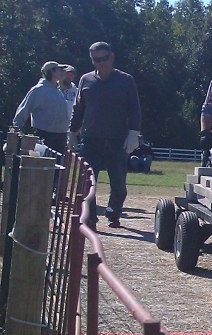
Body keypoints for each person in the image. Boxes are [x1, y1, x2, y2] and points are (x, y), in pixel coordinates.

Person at [70, 42, 142, 228]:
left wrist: (134, 133)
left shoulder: (126, 80)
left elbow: (134, 109)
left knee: (118, 184)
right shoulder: (85, 80)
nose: (100, 63)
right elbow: (79, 109)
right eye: (96, 60)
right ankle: (91, 218)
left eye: (104, 58)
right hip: (90, 139)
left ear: (112, 57)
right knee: (87, 182)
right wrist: (72, 132)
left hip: (117, 140)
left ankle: (113, 212)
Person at [11, 61, 73, 154]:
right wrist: (16, 129)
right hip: (44, 135)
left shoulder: (57, 90)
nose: (62, 72)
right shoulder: (39, 89)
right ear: (51, 72)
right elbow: (24, 108)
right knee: (42, 165)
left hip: (61, 136)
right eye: (59, 70)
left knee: (57, 165)